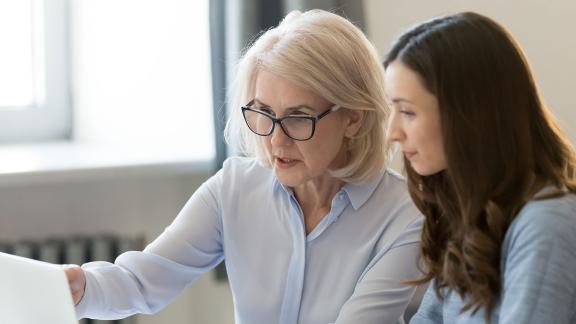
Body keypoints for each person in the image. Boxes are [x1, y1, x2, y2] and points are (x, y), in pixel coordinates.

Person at [65, 9, 423, 324]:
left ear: (354, 119)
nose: (276, 142)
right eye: (264, 113)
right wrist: (81, 286)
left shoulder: (405, 217)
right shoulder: (235, 187)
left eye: (298, 118)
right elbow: (142, 281)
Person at [383, 11, 576, 324]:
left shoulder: (547, 222)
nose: (392, 132)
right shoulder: (471, 217)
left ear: (467, 115)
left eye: (407, 112)